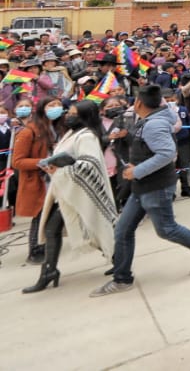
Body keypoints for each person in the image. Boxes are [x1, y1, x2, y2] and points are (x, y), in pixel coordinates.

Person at [93, 84, 190, 297]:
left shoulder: (154, 124)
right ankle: (122, 278)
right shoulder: (154, 118)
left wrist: (137, 171)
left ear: (139, 103)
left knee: (166, 229)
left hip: (156, 185)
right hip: (143, 186)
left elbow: (167, 153)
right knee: (123, 230)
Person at [23, 100, 116, 293]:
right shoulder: (73, 133)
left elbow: (89, 165)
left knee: (94, 228)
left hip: (80, 193)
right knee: (53, 230)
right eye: (69, 112)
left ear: (83, 116)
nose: (68, 116)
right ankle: (49, 271)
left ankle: (119, 260)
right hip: (65, 191)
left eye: (73, 113)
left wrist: (62, 167)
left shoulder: (87, 136)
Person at [12, 96, 62, 263]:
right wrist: (41, 163)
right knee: (40, 215)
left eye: (58, 105)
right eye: (51, 105)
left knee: (51, 215)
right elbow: (17, 161)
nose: (56, 108)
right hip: (39, 180)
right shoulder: (28, 131)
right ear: (41, 108)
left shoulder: (56, 127)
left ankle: (48, 246)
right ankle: (35, 250)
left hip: (56, 177)